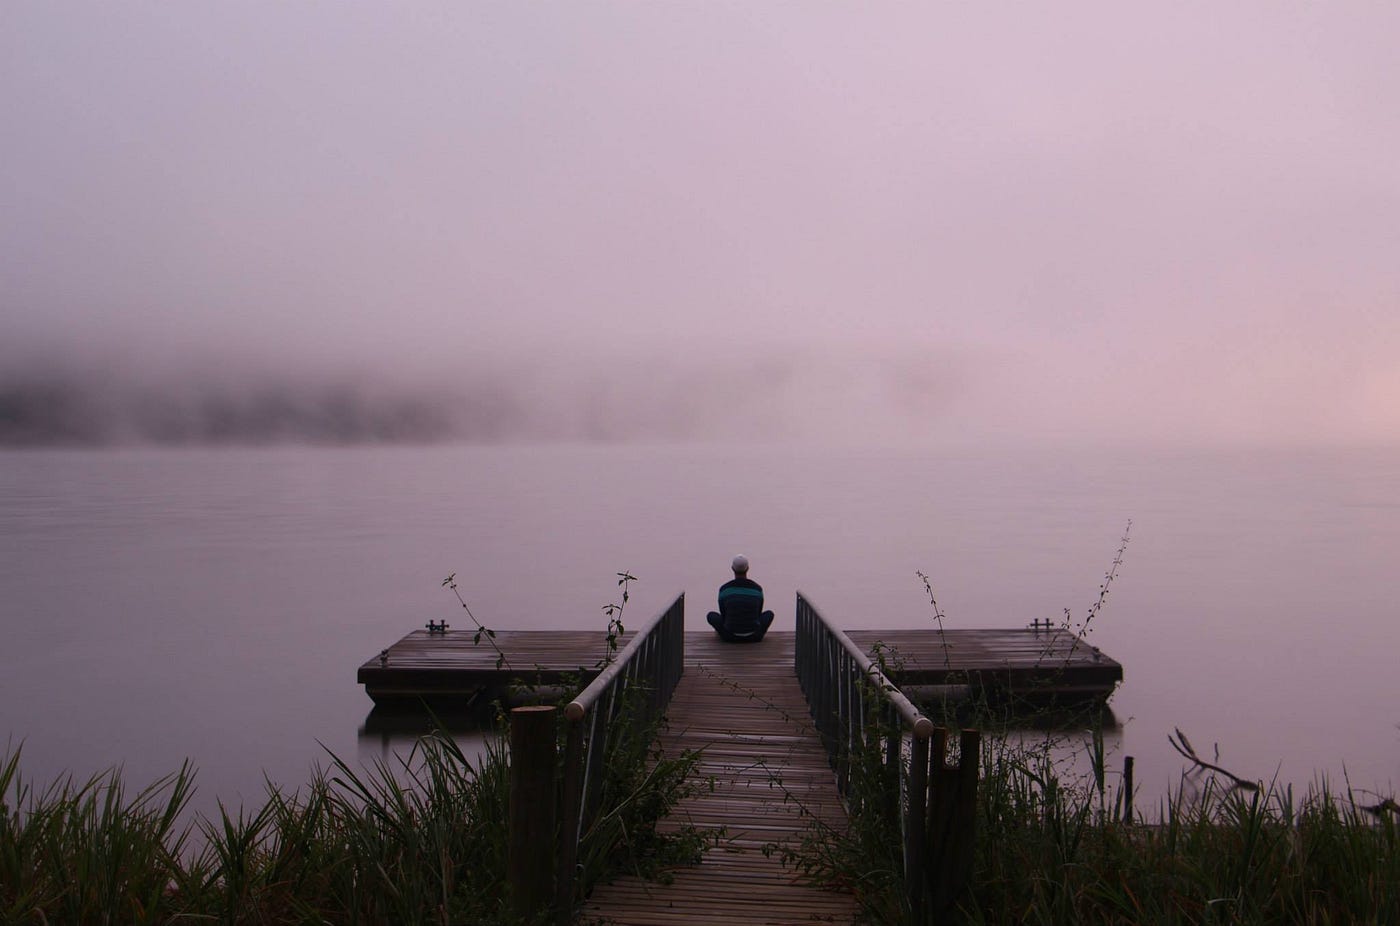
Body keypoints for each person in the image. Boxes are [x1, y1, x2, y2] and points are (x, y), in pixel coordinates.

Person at [706, 554, 775, 643]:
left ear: (732, 568)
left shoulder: (724, 589)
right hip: (754, 636)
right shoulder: (757, 589)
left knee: (711, 615)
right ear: (748, 568)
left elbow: (724, 614)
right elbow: (758, 613)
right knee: (769, 614)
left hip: (729, 636)